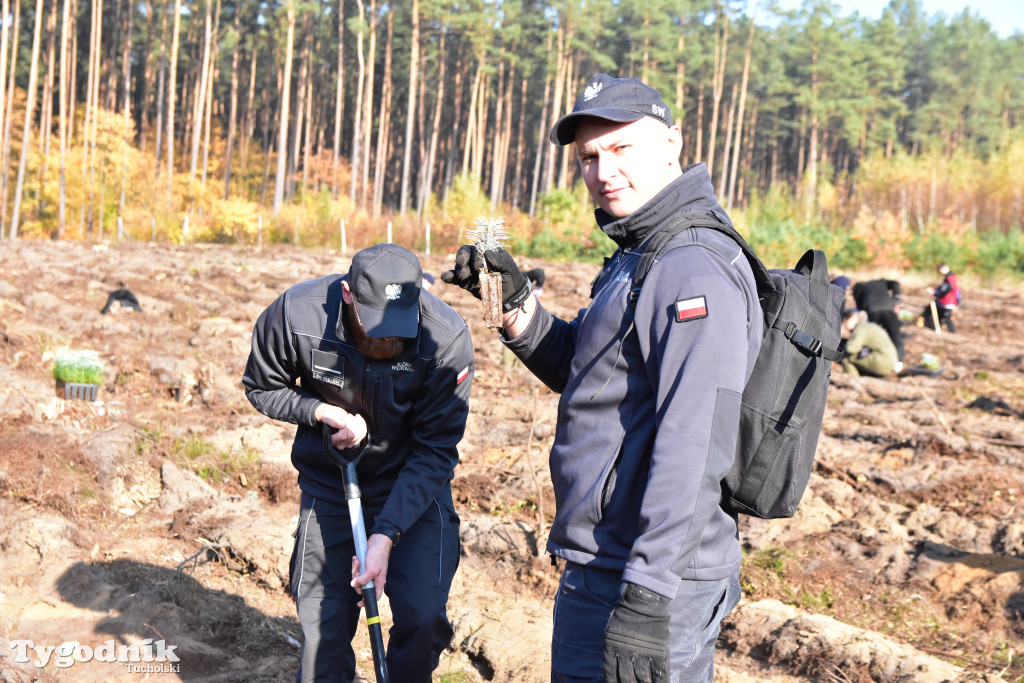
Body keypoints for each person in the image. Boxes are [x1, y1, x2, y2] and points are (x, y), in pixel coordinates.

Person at [442, 73, 762, 683]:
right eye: (589, 156)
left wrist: (648, 595)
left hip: (647, 577)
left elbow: (696, 444)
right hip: (609, 563)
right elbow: (588, 372)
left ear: (672, 145)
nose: (602, 169)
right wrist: (516, 308)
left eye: (621, 148)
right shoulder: (641, 253)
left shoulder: (690, 264)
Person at [242, 243, 474, 683]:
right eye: (377, 323)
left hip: (412, 489)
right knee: (321, 634)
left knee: (423, 618)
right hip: (331, 484)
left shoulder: (446, 339)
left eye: (400, 324)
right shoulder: (298, 315)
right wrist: (319, 412)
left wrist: (386, 535)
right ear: (348, 294)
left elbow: (435, 451)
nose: (389, 337)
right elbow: (261, 386)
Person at [851, 278, 904, 369]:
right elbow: (896, 283)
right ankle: (898, 363)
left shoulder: (858, 288)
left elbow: (860, 307)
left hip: (872, 311)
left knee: (875, 335)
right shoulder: (881, 282)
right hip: (888, 309)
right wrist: (896, 295)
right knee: (896, 336)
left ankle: (873, 359)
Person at [840, 308, 899, 377]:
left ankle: (851, 379)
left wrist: (841, 345)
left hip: (882, 361)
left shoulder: (861, 327)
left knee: (844, 356)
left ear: (852, 318)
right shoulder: (868, 326)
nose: (845, 323)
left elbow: (851, 348)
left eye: (846, 319)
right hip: (889, 362)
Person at [918, 261, 959, 332]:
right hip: (943, 302)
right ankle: (935, 328)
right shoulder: (948, 278)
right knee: (938, 314)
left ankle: (952, 332)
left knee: (947, 318)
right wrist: (935, 291)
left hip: (947, 302)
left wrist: (935, 293)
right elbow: (943, 288)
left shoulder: (950, 278)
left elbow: (946, 290)